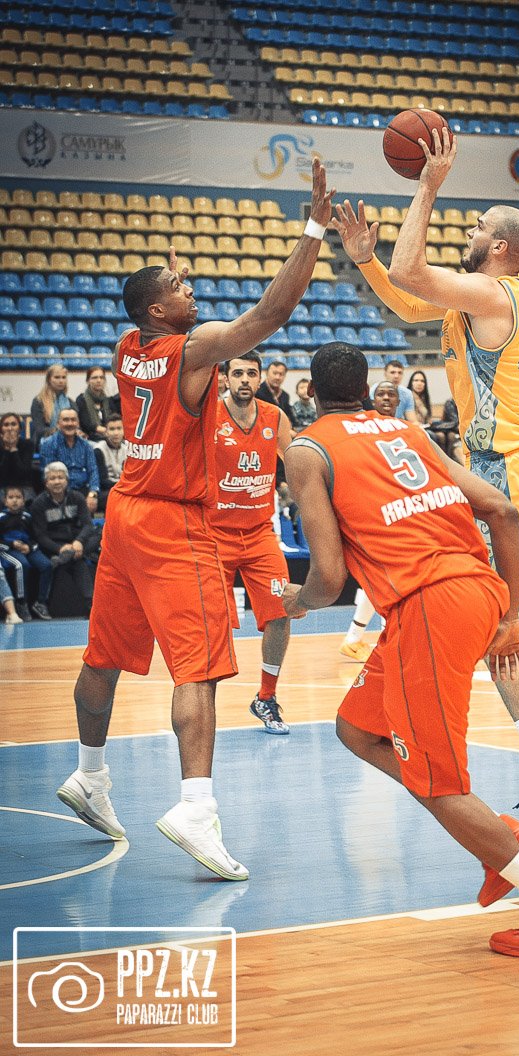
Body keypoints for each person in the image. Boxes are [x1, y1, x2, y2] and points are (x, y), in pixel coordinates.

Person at [330, 134, 519, 797]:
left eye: (476, 228)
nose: (467, 233)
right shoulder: (494, 298)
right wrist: (366, 262)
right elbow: (409, 297)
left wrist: (428, 184)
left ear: (498, 247)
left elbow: (413, 271)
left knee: (504, 619)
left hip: (507, 472)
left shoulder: (493, 297)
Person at [55, 157, 334, 882]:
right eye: (180, 289)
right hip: (174, 520)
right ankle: (196, 807)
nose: (192, 291)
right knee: (201, 666)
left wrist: (168, 283)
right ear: (158, 312)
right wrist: (313, 230)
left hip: (125, 511)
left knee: (102, 655)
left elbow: (164, 313)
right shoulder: (194, 349)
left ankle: (89, 773)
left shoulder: (129, 347)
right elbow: (268, 317)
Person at [283, 343, 519, 957]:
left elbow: (328, 577)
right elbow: (502, 510)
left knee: (438, 782)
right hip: (477, 589)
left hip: (429, 604)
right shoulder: (407, 430)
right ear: (367, 387)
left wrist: (297, 601)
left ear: (312, 392)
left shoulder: (308, 449)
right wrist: (509, 614)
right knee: (358, 729)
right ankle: (498, 835)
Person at [209, 350, 294, 735]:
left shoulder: (275, 417)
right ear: (226, 378)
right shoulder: (209, 415)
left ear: (260, 379)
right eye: (238, 373)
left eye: (251, 373)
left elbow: (296, 463)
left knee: (281, 612)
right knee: (212, 623)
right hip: (215, 534)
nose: (245, 379)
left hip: (260, 534)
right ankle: (202, 699)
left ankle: (266, 697)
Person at [338, 379, 400, 662]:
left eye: (391, 394)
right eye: (380, 394)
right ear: (372, 400)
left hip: (401, 510)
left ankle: (355, 637)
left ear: (398, 400)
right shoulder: (363, 428)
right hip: (375, 510)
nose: (386, 398)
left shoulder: (407, 430)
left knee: (380, 578)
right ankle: (387, 635)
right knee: (386, 577)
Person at [31, 461, 99, 616]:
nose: (57, 482)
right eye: (52, 478)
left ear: (67, 480)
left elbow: (88, 525)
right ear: (46, 482)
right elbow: (40, 536)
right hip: (55, 545)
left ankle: (64, 558)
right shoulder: (38, 504)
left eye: (60, 478)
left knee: (99, 535)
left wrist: (78, 542)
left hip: (76, 543)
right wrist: (59, 548)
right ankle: (91, 605)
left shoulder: (77, 497)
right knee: (78, 561)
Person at [0, 485, 53, 620]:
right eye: (11, 497)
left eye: (18, 497)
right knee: (22, 565)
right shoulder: (1, 517)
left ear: (23, 501)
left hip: (26, 548)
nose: (15, 500)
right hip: (8, 549)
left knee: (46, 565)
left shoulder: (27, 516)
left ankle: (41, 602)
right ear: (5, 501)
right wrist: (12, 544)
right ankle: (21, 603)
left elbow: (36, 536)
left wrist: (29, 547)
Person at [39, 408, 100, 502]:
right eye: (66, 420)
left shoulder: (86, 445)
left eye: (73, 420)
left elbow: (93, 471)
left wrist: (93, 494)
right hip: (59, 492)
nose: (70, 423)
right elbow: (49, 476)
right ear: (58, 424)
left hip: (84, 490)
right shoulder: (49, 444)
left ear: (78, 424)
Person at [30, 363, 78, 446]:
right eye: (57, 377)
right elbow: (40, 429)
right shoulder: (38, 401)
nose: (61, 381)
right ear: (49, 380)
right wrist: (61, 430)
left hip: (69, 440)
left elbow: (77, 426)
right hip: (46, 440)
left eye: (63, 377)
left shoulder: (71, 402)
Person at [0, 412, 38, 500]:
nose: (10, 428)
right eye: (6, 425)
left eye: (13, 424)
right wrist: (6, 449)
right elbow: (2, 474)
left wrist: (13, 448)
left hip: (23, 486)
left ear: (20, 428)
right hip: (2, 486)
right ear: (1, 429)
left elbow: (23, 473)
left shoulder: (28, 444)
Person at [93, 414, 127, 510]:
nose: (116, 433)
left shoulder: (128, 450)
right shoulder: (98, 450)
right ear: (106, 432)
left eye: (119, 428)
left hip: (124, 488)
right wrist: (122, 486)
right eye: (112, 429)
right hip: (107, 490)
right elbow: (102, 481)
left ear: (124, 431)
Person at [76, 366, 112, 442]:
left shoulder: (108, 400)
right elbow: (85, 423)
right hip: (89, 439)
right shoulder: (81, 400)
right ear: (88, 381)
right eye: (94, 378)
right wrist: (106, 430)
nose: (99, 380)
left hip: (109, 438)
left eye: (102, 377)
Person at [256, 359, 296, 425]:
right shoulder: (257, 392)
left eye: (281, 374)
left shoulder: (285, 396)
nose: (277, 377)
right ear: (266, 374)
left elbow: (291, 418)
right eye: (274, 373)